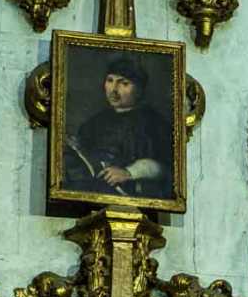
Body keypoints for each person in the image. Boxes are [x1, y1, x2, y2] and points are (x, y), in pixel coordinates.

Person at [63, 56, 173, 199]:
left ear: (139, 90)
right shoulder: (93, 123)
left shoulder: (155, 124)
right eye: (110, 81)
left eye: (124, 83)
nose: (113, 90)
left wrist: (129, 173)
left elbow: (168, 169)